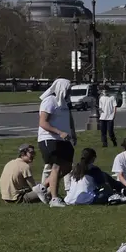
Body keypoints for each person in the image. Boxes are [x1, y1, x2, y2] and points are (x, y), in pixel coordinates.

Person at [37, 78, 76, 207]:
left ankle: (43, 187)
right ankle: (54, 198)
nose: (70, 91)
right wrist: (59, 132)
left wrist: (73, 133)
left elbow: (69, 119)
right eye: (68, 89)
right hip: (50, 139)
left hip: (64, 139)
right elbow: (43, 122)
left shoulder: (64, 102)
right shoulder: (49, 101)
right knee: (56, 166)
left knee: (67, 167)